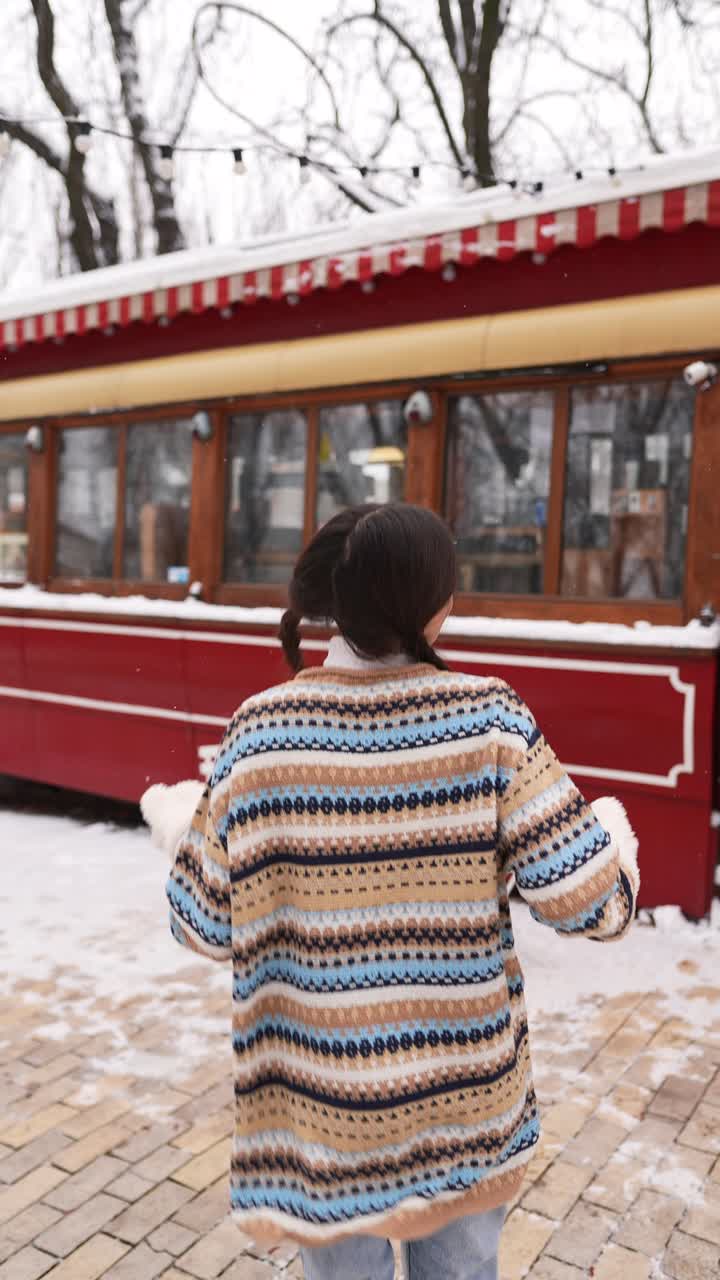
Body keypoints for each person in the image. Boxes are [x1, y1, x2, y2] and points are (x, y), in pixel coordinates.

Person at [144, 502, 639, 1280]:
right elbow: (594, 903)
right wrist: (613, 833)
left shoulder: (259, 731)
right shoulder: (491, 721)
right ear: (432, 608)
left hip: (323, 1115)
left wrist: (181, 827)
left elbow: (200, 923)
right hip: (466, 1107)